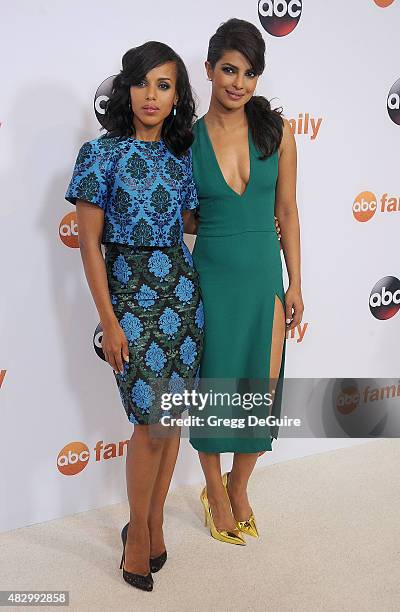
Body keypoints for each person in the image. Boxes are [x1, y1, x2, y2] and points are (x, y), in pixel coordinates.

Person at [65, 41, 204, 591]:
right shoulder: (99, 155)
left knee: (171, 421)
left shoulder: (180, 157)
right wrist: (111, 321)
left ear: (176, 97)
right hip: (131, 300)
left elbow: (192, 225)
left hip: (183, 298)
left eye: (164, 85)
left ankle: (152, 521)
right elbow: (89, 245)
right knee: (149, 423)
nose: (152, 95)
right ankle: (138, 535)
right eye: (143, 83)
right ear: (126, 89)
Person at [183, 19, 304, 544]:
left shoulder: (277, 132)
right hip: (210, 277)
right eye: (229, 70)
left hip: (263, 278)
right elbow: (182, 216)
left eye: (250, 73)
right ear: (209, 70)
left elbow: (288, 210)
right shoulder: (184, 139)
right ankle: (212, 484)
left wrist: (295, 283)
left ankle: (238, 483)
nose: (238, 82)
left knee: (262, 386)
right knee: (214, 387)